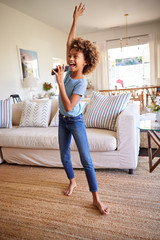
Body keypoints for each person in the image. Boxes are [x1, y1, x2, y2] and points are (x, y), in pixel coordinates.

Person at [52, 3, 110, 215]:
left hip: (75, 122)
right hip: (62, 119)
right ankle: (72, 182)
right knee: (64, 156)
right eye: (71, 55)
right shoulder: (67, 70)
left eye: (76, 56)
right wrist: (75, 20)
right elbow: (69, 42)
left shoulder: (80, 82)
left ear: (85, 62)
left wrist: (59, 83)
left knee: (86, 160)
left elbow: (69, 105)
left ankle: (96, 198)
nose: (71, 58)